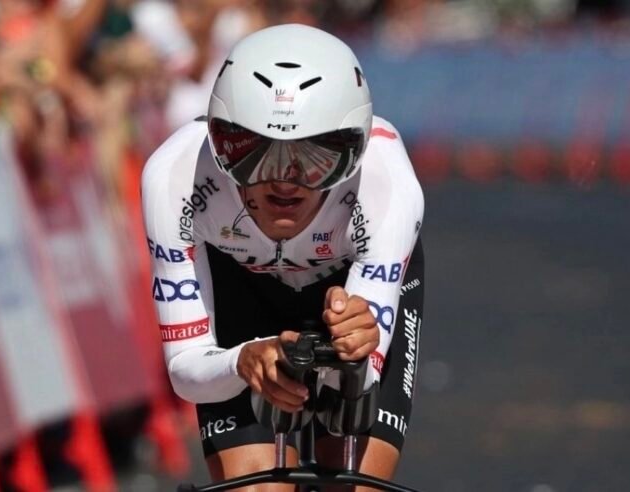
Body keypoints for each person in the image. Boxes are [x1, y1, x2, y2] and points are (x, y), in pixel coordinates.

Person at [142, 23, 425, 490]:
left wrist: (354, 351)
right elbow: (185, 371)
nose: (284, 181)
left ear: (353, 151)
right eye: (255, 153)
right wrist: (241, 362)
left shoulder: (387, 183)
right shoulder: (174, 178)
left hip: (344, 293)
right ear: (220, 142)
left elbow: (359, 383)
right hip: (240, 293)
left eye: (314, 157)